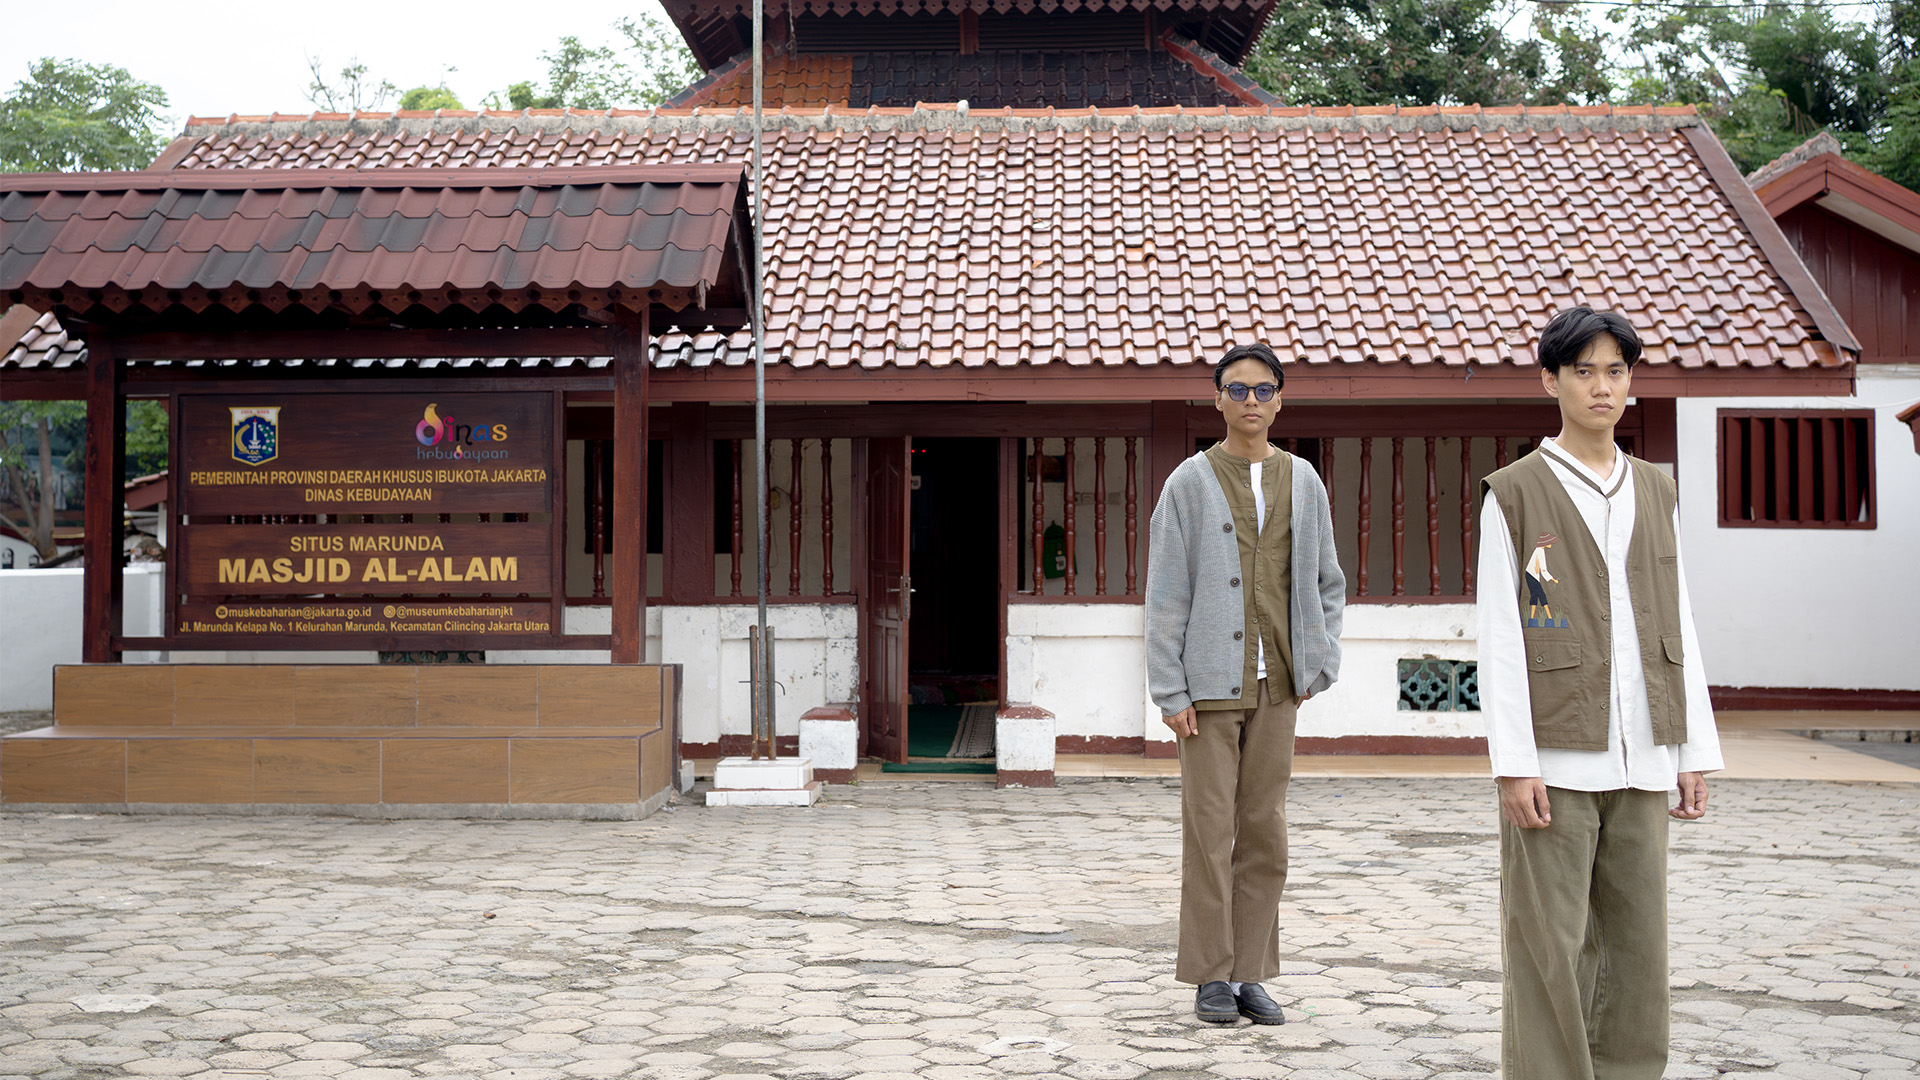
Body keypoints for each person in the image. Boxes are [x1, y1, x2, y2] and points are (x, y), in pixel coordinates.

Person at [1476, 306, 1723, 1080]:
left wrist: (1691, 751)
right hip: (1556, 759)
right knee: (1549, 945)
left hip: (1648, 753)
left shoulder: (1656, 489)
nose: (1601, 386)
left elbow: (1677, 618)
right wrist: (1515, 764)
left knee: (1638, 947)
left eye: (1616, 370)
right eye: (1583, 370)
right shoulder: (1515, 495)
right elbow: (1503, 637)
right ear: (1550, 380)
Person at [1145, 342, 1346, 1025]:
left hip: (1279, 685)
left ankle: (1250, 971)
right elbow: (1166, 593)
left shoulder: (1304, 481)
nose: (1251, 401)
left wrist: (1319, 660)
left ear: (1281, 399)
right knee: (1210, 832)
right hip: (1207, 691)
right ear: (1218, 399)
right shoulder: (1188, 483)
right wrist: (1169, 690)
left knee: (1265, 832)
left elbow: (1327, 581)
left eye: (1264, 390)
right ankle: (1208, 974)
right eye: (1239, 390)